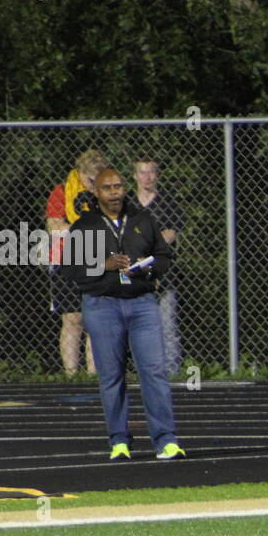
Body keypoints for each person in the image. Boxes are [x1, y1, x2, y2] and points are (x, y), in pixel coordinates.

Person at [61, 167, 183, 461]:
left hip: (141, 302)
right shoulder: (85, 226)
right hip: (102, 305)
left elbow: (165, 256)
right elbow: (71, 269)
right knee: (111, 375)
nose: (114, 192)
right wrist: (104, 265)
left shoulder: (142, 219)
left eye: (118, 186)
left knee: (153, 371)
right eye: (107, 187)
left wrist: (147, 265)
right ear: (96, 192)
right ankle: (119, 440)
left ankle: (165, 440)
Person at [46, 149, 107, 376]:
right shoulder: (62, 191)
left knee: (96, 320)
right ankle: (71, 374)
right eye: (91, 180)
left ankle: (94, 374)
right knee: (72, 318)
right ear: (81, 173)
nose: (94, 185)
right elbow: (54, 226)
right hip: (67, 260)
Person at [133, 158, 187, 375]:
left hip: (162, 273)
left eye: (151, 172)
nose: (147, 177)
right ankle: (142, 370)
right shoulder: (127, 204)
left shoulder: (168, 204)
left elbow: (169, 235)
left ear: (157, 175)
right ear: (135, 176)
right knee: (136, 326)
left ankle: (171, 372)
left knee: (167, 325)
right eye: (143, 173)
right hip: (133, 273)